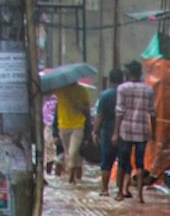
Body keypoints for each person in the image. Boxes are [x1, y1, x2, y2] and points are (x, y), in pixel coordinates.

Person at [113, 62, 155, 203]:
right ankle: (140, 196)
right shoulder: (148, 90)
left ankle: (119, 192)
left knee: (122, 161)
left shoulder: (122, 89)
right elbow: (152, 113)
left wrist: (115, 132)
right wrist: (152, 131)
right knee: (140, 163)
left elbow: (119, 111)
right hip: (142, 130)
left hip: (126, 130)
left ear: (128, 73)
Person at [54, 81, 92, 184]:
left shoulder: (82, 90)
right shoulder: (60, 90)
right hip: (63, 126)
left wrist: (81, 107)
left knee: (72, 152)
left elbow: (88, 109)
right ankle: (75, 179)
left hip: (78, 126)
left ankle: (71, 178)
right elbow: (56, 110)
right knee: (69, 154)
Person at [94, 67, 122, 195]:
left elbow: (99, 115)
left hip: (107, 131)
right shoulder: (124, 94)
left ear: (110, 79)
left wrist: (94, 131)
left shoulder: (104, 95)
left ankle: (104, 189)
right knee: (123, 161)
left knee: (106, 160)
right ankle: (121, 190)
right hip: (123, 131)